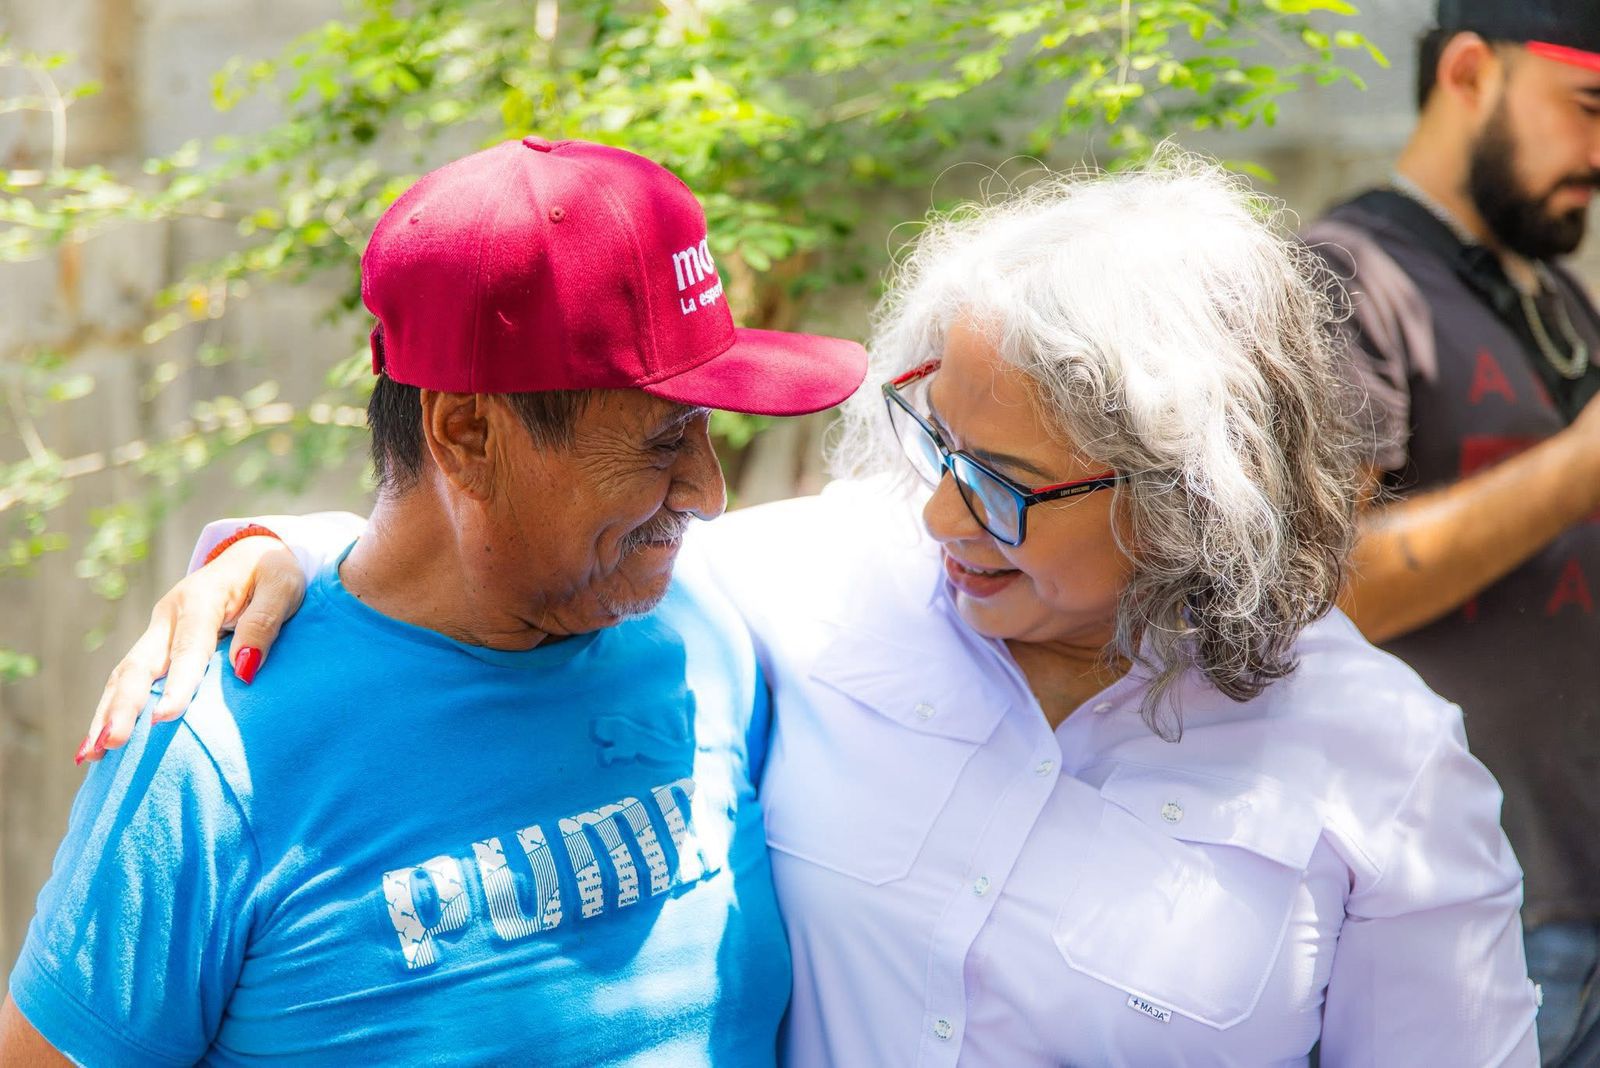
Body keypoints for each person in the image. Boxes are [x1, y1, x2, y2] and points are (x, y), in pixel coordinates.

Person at [76, 155, 1538, 1064]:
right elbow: (500, 548)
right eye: (938, 447)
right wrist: (276, 554)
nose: (942, 516)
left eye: (1007, 482)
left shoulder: (1384, 772)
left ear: (1187, 496)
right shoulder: (816, 590)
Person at [0, 136, 867, 1064]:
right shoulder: (208, 761)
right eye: (661, 443)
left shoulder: (707, 630)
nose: (709, 492)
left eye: (706, 429)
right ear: (465, 433)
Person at [1301, 2, 1600, 1060]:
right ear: (1470, 71)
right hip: (1463, 905)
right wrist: (1577, 465)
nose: (1599, 153)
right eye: (1588, 106)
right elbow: (1323, 591)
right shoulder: (1342, 273)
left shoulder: (1559, 298)